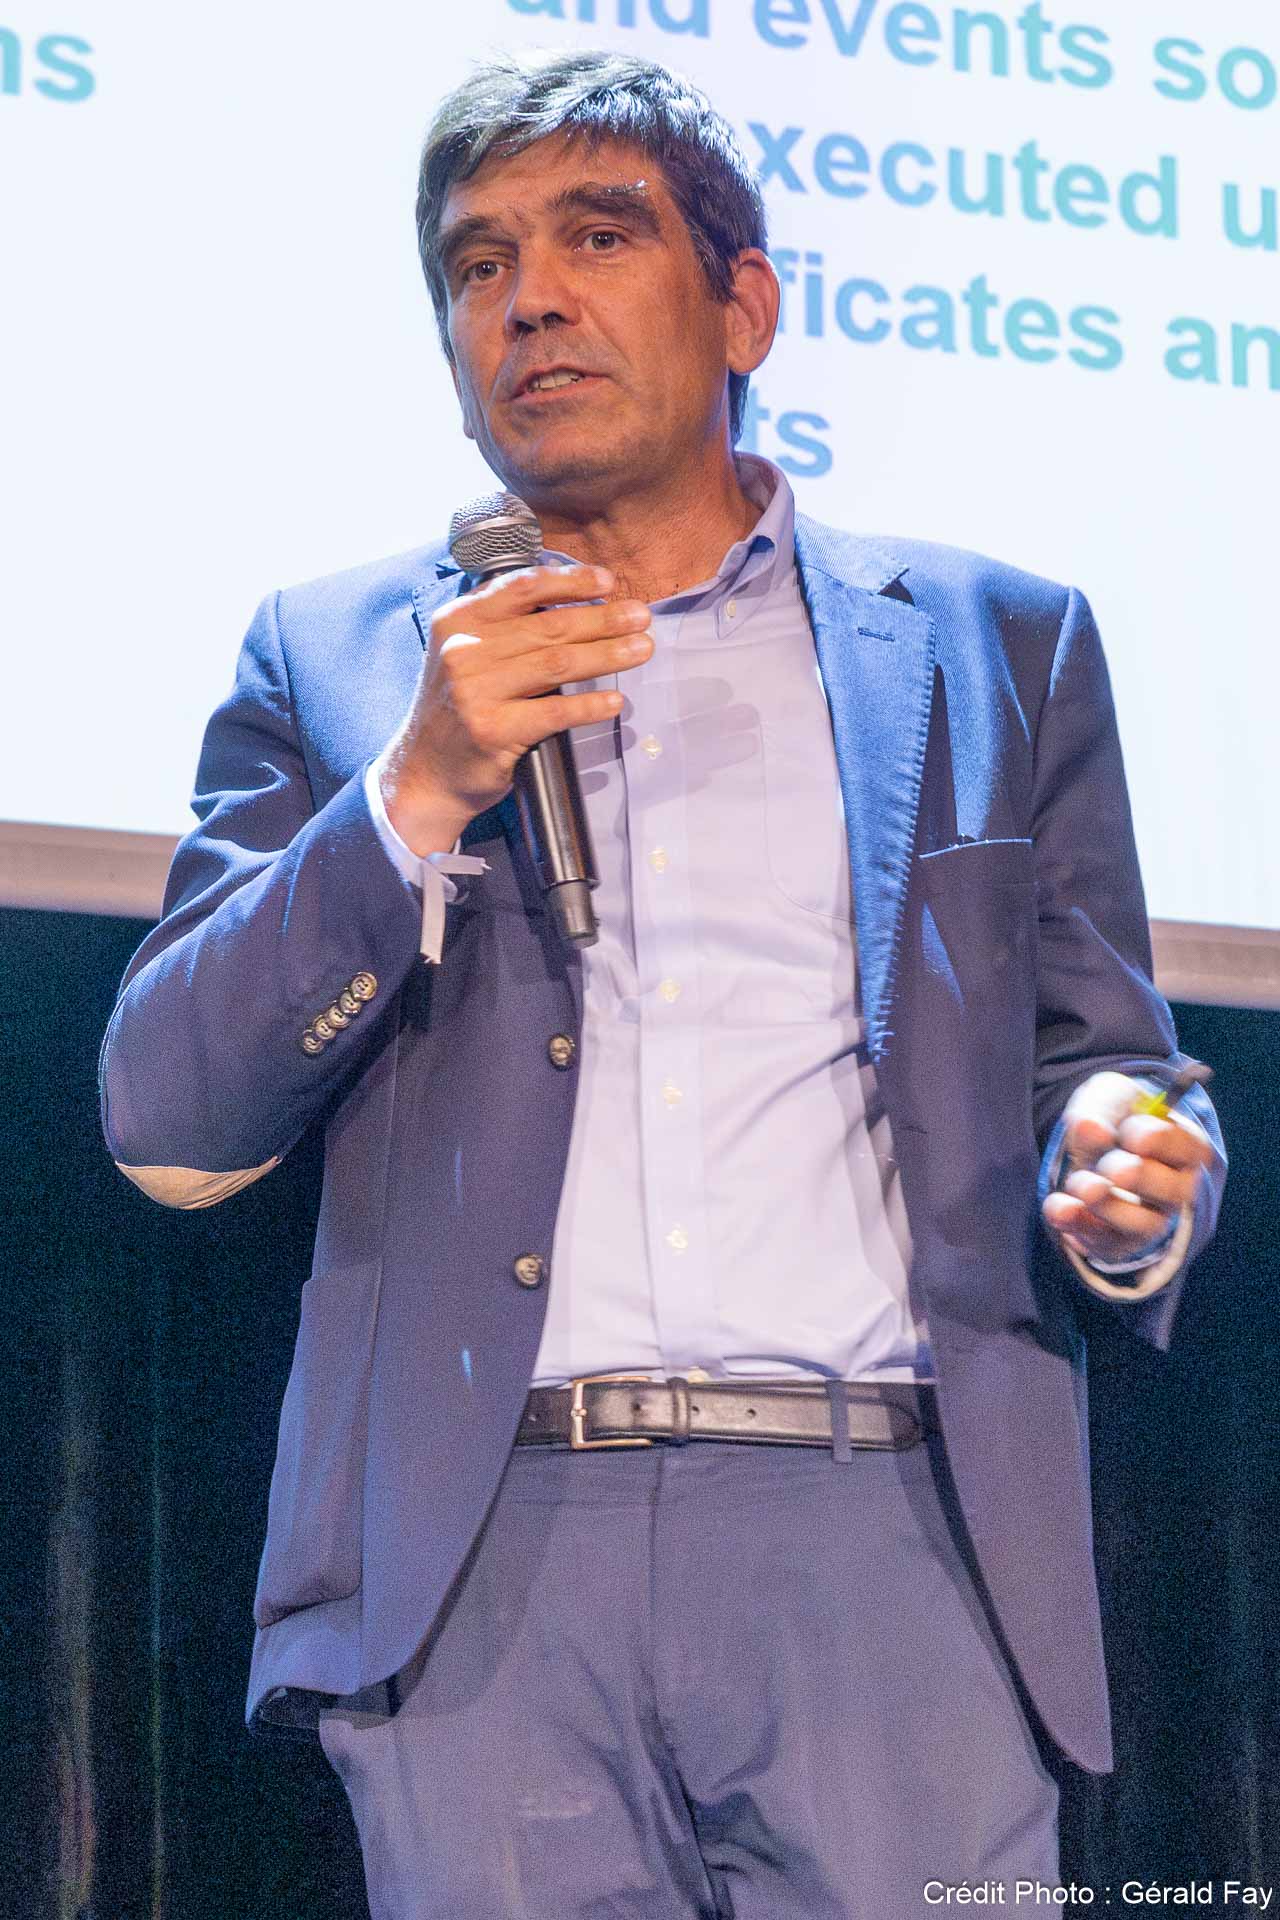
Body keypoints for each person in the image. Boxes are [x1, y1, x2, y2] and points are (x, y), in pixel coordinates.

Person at [100, 47, 1224, 1920]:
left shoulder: (994, 641)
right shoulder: (337, 657)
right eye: (476, 264)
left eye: (596, 236)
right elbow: (167, 1117)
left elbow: (1102, 1065)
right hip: (483, 1563)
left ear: (745, 305)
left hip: (894, 1542)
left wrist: (1124, 1169)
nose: (527, 298)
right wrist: (415, 790)